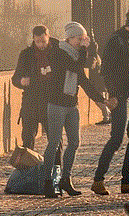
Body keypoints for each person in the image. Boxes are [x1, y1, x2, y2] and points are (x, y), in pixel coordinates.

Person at [43, 23, 114, 197]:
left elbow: (83, 80)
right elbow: (77, 67)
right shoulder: (59, 53)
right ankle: (48, 183)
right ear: (70, 38)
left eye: (83, 39)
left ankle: (66, 180)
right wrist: (84, 49)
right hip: (56, 105)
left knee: (74, 142)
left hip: (71, 105)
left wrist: (101, 100)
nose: (81, 42)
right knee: (54, 143)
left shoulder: (75, 56)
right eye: (79, 39)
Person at [91, 8, 129, 196]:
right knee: (116, 139)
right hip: (120, 97)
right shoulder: (117, 41)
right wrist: (113, 95)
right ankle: (98, 179)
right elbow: (105, 70)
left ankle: (127, 179)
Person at [11, 25, 57, 149]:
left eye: (43, 41)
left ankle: (57, 168)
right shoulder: (26, 55)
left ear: (48, 37)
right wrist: (21, 81)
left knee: (55, 141)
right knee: (27, 138)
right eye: (37, 41)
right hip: (31, 102)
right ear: (33, 39)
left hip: (51, 101)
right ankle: (28, 168)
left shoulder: (57, 53)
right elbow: (15, 79)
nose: (40, 44)